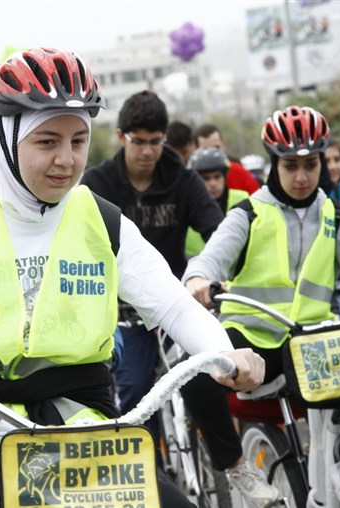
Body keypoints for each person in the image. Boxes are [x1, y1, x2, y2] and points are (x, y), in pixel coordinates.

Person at [0, 46, 264, 508]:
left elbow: (174, 306)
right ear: (8, 141)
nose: (67, 160)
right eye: (46, 141)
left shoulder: (104, 221)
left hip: (91, 438)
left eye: (78, 141)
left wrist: (227, 353)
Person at [182, 106, 340, 507]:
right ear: (275, 164)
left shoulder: (336, 214)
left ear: (323, 161)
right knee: (196, 373)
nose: (302, 176)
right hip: (255, 342)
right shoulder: (250, 212)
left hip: (313, 341)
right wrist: (198, 281)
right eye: (291, 166)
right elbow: (205, 262)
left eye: (311, 164)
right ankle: (235, 464)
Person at [80, 90, 225, 446]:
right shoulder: (97, 185)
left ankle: (233, 464)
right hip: (123, 310)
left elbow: (218, 233)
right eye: (139, 142)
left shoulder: (183, 179)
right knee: (134, 390)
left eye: (156, 142)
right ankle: (148, 478)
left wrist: (209, 274)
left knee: (207, 374)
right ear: (120, 136)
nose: (148, 151)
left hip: (175, 300)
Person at [185, 147, 249, 258]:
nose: (213, 183)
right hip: (192, 269)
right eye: (206, 178)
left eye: (217, 177)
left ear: (225, 177)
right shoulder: (184, 204)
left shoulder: (243, 199)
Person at [194, 123, 261, 195]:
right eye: (206, 150)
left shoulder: (239, 172)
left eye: (216, 148)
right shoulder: (192, 178)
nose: (212, 154)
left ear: (223, 145)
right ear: (195, 150)